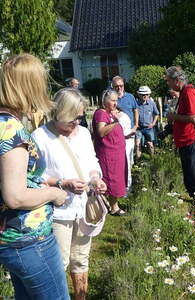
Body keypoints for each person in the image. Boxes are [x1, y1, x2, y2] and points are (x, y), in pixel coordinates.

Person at [0, 54, 70, 300]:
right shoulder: (12, 129)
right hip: (29, 240)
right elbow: (15, 196)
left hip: (13, 239)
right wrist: (54, 193)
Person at [32, 88, 107, 300]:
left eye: (80, 117)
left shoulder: (83, 133)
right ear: (60, 113)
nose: (77, 123)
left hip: (83, 208)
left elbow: (92, 162)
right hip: (58, 212)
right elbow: (32, 178)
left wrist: (95, 179)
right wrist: (63, 183)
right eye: (72, 119)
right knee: (60, 262)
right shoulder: (40, 137)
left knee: (81, 259)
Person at [166, 66, 195, 226]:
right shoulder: (184, 92)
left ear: (176, 80)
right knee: (190, 178)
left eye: (168, 80)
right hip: (185, 142)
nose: (168, 83)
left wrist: (173, 116)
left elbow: (193, 117)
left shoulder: (190, 92)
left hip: (191, 141)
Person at [92, 90, 127, 216]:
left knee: (116, 179)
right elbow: (101, 131)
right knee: (111, 179)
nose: (115, 103)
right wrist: (116, 122)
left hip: (116, 153)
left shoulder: (109, 113)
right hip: (108, 154)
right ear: (104, 100)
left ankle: (112, 205)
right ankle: (113, 207)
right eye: (112, 100)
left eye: (116, 100)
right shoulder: (101, 114)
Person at [112, 76, 138, 164]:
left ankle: (129, 175)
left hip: (129, 131)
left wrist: (136, 125)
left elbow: (136, 110)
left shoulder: (130, 97)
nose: (119, 88)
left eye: (121, 85)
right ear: (113, 86)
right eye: (116, 86)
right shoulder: (111, 99)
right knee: (120, 158)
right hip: (116, 132)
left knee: (129, 156)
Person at [136, 86, 159, 158]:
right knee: (137, 144)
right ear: (139, 95)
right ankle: (138, 160)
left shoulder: (151, 103)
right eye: (142, 94)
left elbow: (156, 114)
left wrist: (153, 123)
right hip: (139, 128)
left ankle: (152, 158)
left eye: (146, 94)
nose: (144, 96)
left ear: (149, 95)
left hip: (148, 128)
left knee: (150, 144)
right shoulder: (136, 104)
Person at [117, 108, 135, 192]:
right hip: (121, 142)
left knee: (126, 164)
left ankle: (127, 187)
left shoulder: (123, 116)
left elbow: (125, 132)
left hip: (126, 141)